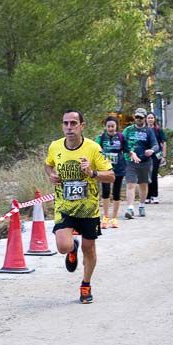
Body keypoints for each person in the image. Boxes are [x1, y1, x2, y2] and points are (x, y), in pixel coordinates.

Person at [46, 110, 114, 304]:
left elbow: (110, 175)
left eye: (73, 123)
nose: (69, 127)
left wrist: (92, 173)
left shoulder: (93, 148)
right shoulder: (55, 146)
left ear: (82, 126)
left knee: (89, 248)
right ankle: (71, 249)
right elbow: (48, 165)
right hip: (64, 205)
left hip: (88, 208)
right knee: (63, 246)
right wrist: (51, 175)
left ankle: (86, 284)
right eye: (66, 123)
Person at [122, 108, 159, 219]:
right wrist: (129, 152)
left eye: (141, 117)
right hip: (131, 161)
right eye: (137, 117)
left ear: (144, 118)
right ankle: (130, 208)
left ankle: (142, 205)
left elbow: (156, 145)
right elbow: (122, 142)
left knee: (143, 184)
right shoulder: (128, 130)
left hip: (145, 162)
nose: (138, 119)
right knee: (130, 184)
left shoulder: (148, 131)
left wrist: (151, 151)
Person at [96, 116, 126, 228]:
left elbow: (126, 149)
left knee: (116, 192)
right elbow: (96, 151)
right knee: (105, 191)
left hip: (119, 169)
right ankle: (106, 217)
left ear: (116, 126)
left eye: (112, 126)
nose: (110, 128)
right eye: (108, 126)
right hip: (105, 169)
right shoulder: (101, 138)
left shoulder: (121, 137)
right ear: (105, 127)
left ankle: (114, 218)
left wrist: (132, 154)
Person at [145, 112, 167, 204]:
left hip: (156, 155)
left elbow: (163, 143)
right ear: (146, 119)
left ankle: (154, 195)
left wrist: (164, 156)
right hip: (146, 155)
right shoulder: (144, 130)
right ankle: (147, 195)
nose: (150, 119)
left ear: (154, 119)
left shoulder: (158, 130)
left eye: (152, 118)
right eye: (148, 118)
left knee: (153, 175)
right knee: (146, 175)